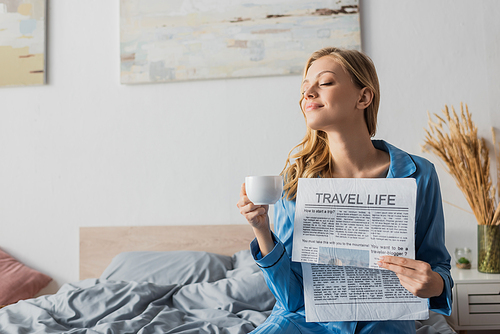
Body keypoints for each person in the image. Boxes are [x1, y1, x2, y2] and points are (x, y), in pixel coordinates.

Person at [237, 47, 453, 333]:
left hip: (382, 325)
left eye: (324, 83)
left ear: (363, 97)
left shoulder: (419, 174)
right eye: (305, 88)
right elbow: (290, 299)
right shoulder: (295, 181)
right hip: (301, 324)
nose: (308, 93)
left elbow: (437, 266)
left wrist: (434, 283)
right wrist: (261, 229)